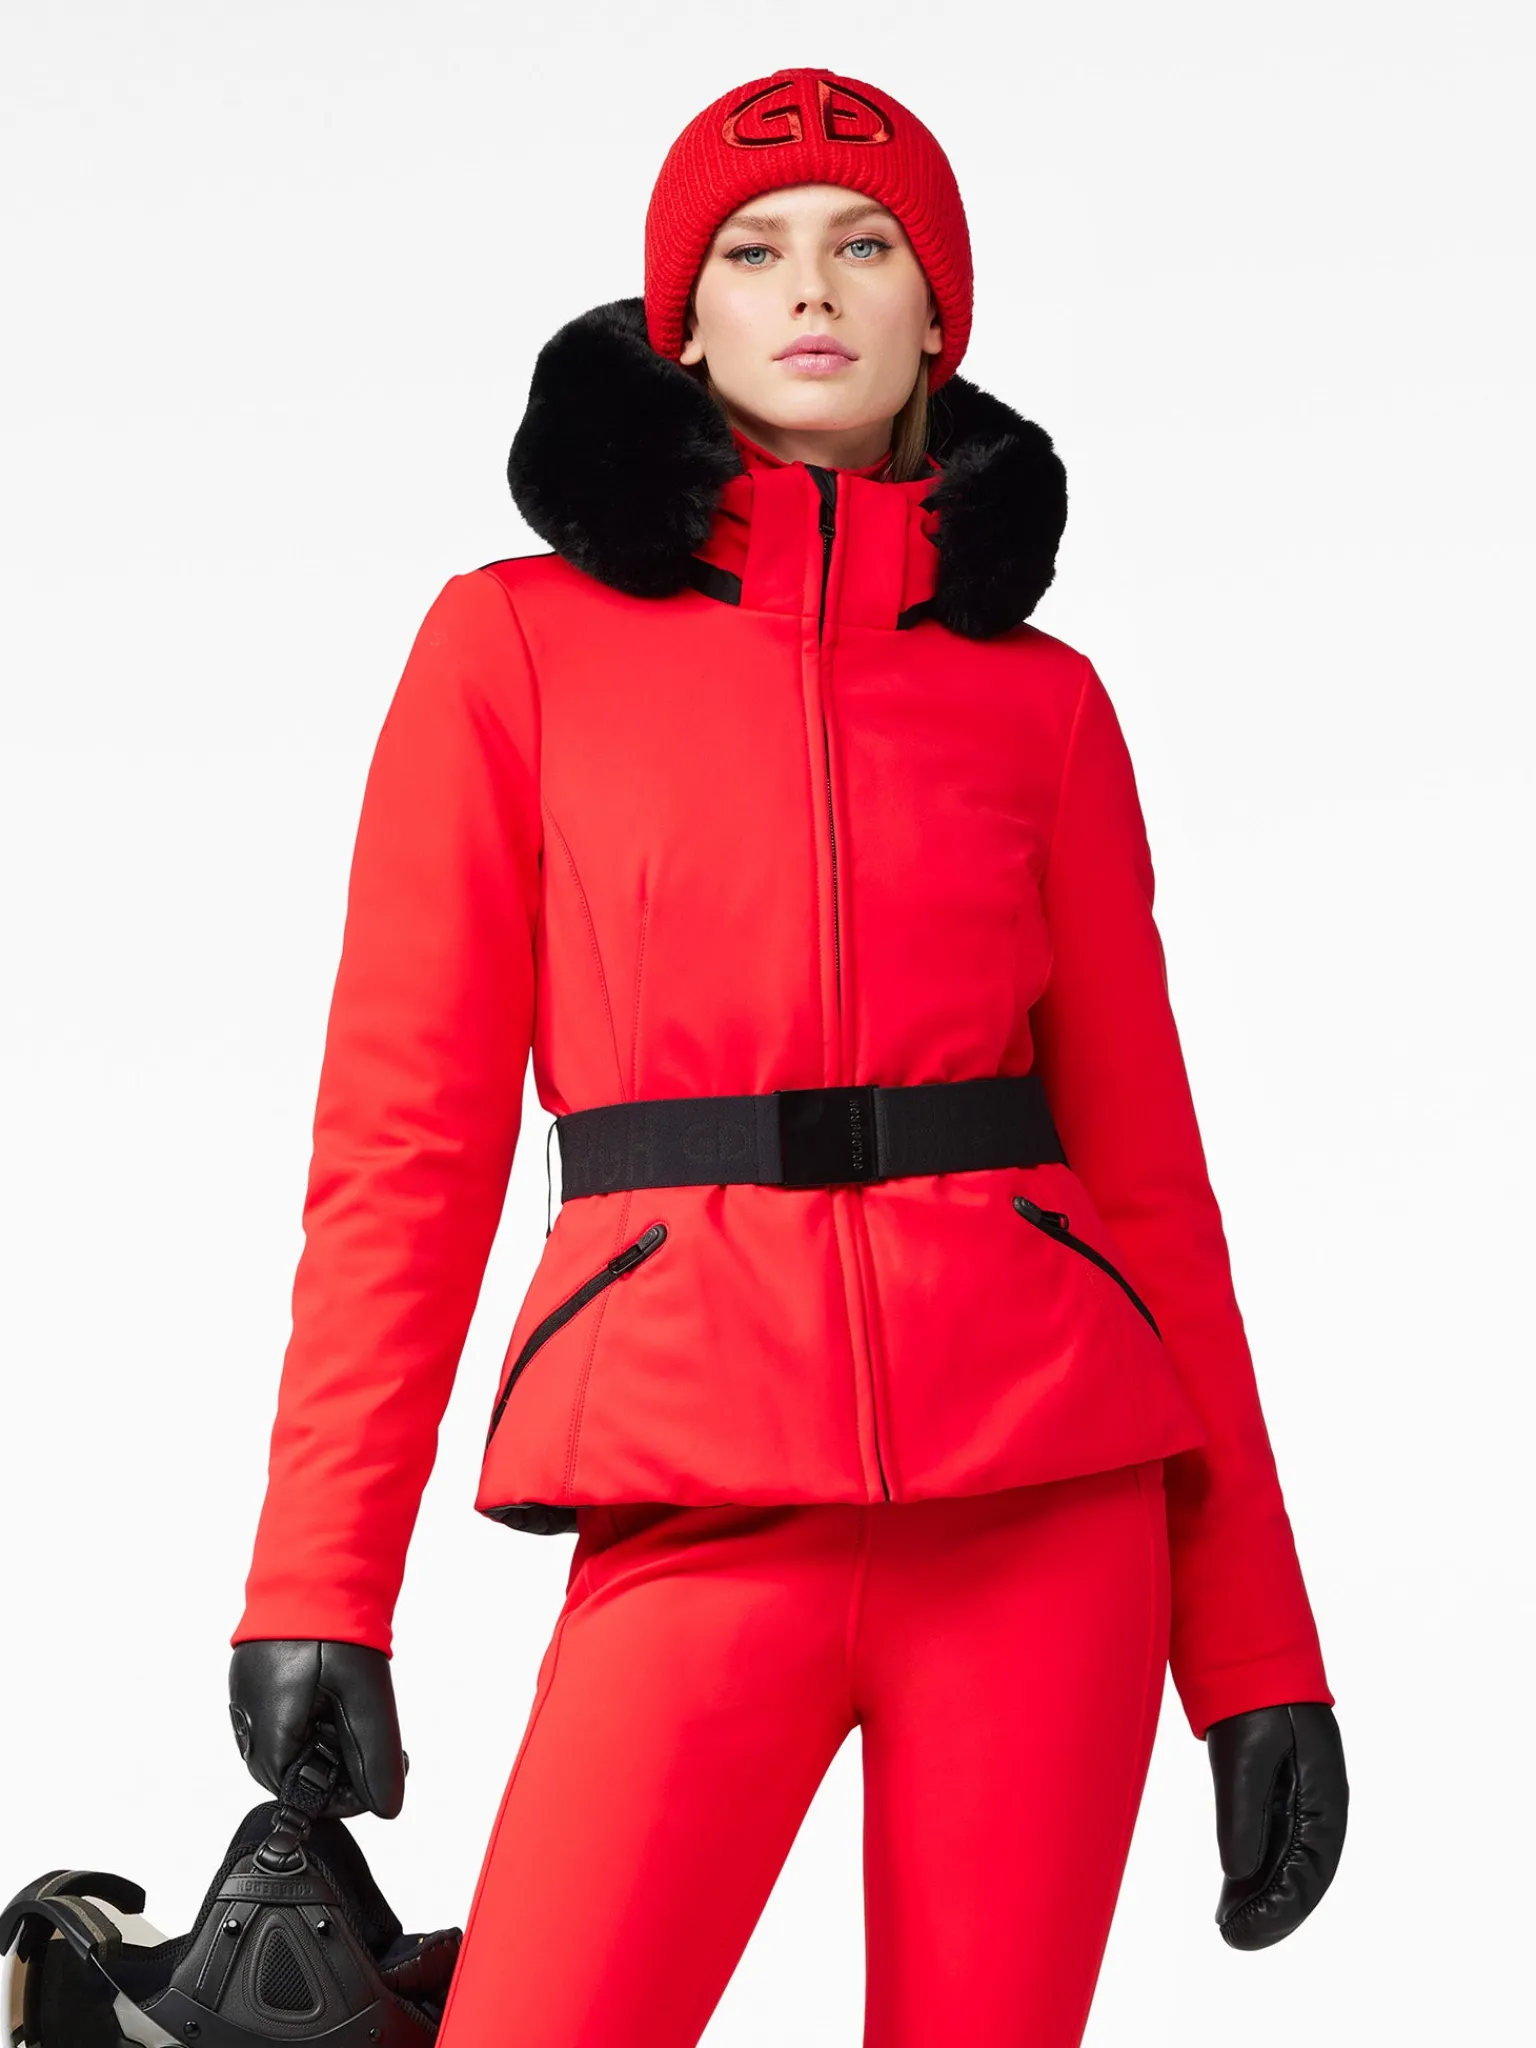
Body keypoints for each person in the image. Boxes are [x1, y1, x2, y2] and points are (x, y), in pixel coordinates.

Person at [226, 65, 1348, 2046]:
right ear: (684, 323)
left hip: (1049, 1509)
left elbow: (1153, 1186)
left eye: (865, 242)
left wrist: (1258, 1654)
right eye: (752, 251)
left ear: (939, 312)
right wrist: (321, 1578)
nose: (810, 287)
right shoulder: (511, 650)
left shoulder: (1044, 706)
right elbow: (404, 1143)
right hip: (692, 1488)